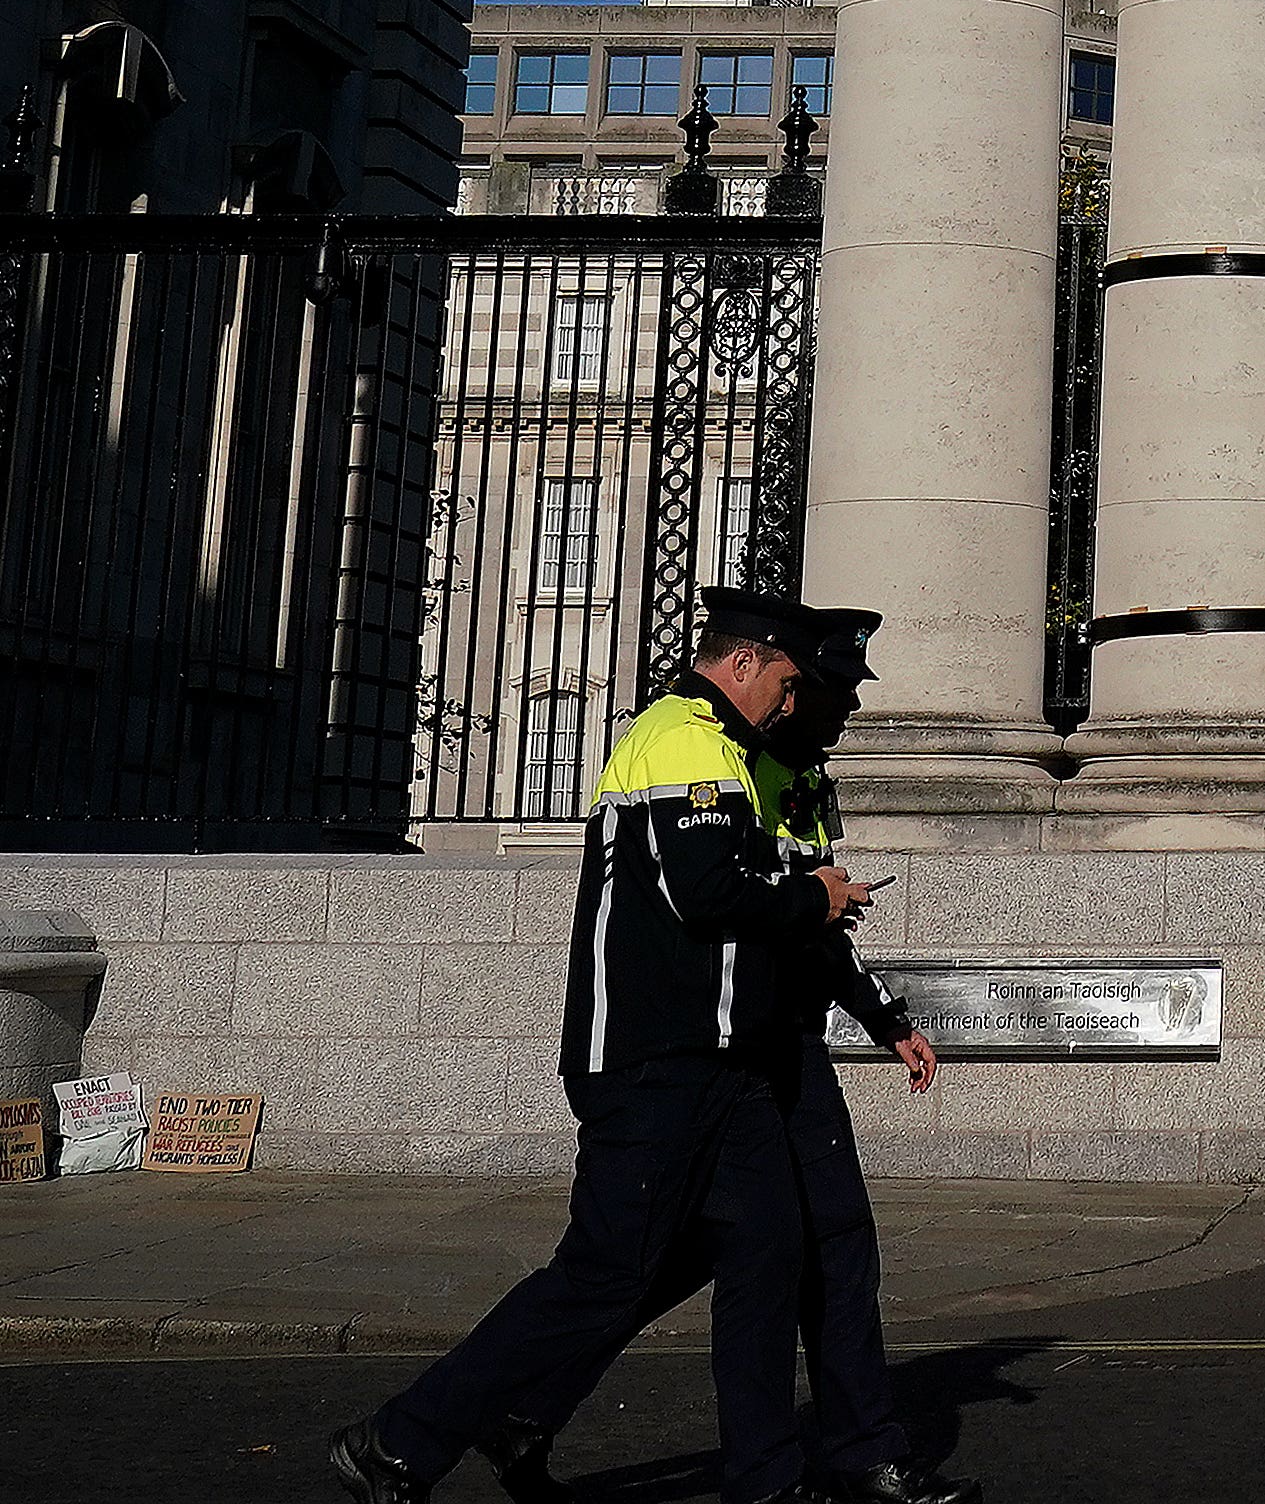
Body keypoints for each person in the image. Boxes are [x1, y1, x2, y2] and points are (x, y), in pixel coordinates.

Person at [330, 589, 870, 1504]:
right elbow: (705, 894)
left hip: (723, 1063)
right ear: (744, 662)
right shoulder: (684, 736)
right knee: (604, 1275)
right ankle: (398, 1439)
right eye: (784, 680)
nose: (792, 701)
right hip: (652, 1059)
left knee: (767, 1254)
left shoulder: (733, 749)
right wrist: (811, 898)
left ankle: (767, 1479)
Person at [482, 605, 977, 1504]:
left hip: (781, 1043)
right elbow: (724, 900)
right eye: (826, 694)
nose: (840, 714)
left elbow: (821, 927)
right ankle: (525, 1404)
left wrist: (879, 1015)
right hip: (723, 1048)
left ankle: (862, 1454)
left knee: (832, 1243)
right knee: (671, 1254)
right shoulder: (721, 750)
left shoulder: (802, 779)